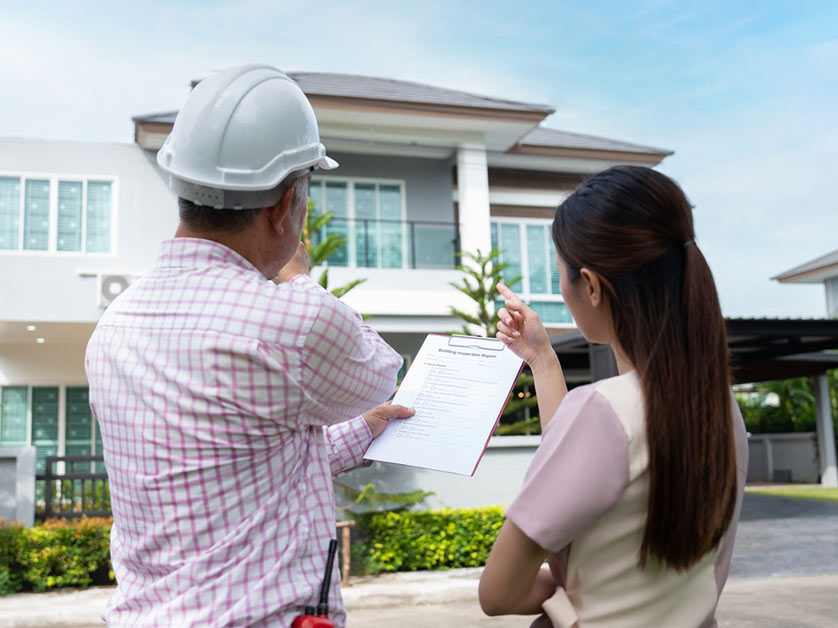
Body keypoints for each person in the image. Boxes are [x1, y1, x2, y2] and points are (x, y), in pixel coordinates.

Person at [85, 64, 412, 628]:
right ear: (285, 205)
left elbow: (232, 466)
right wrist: (297, 276)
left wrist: (366, 430)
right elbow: (380, 372)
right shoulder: (292, 319)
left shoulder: (113, 327)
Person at [478, 165, 748, 627]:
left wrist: (567, 600)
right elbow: (588, 461)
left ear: (593, 286)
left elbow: (499, 590)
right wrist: (542, 358)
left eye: (560, 272)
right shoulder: (721, 411)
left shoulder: (604, 409)